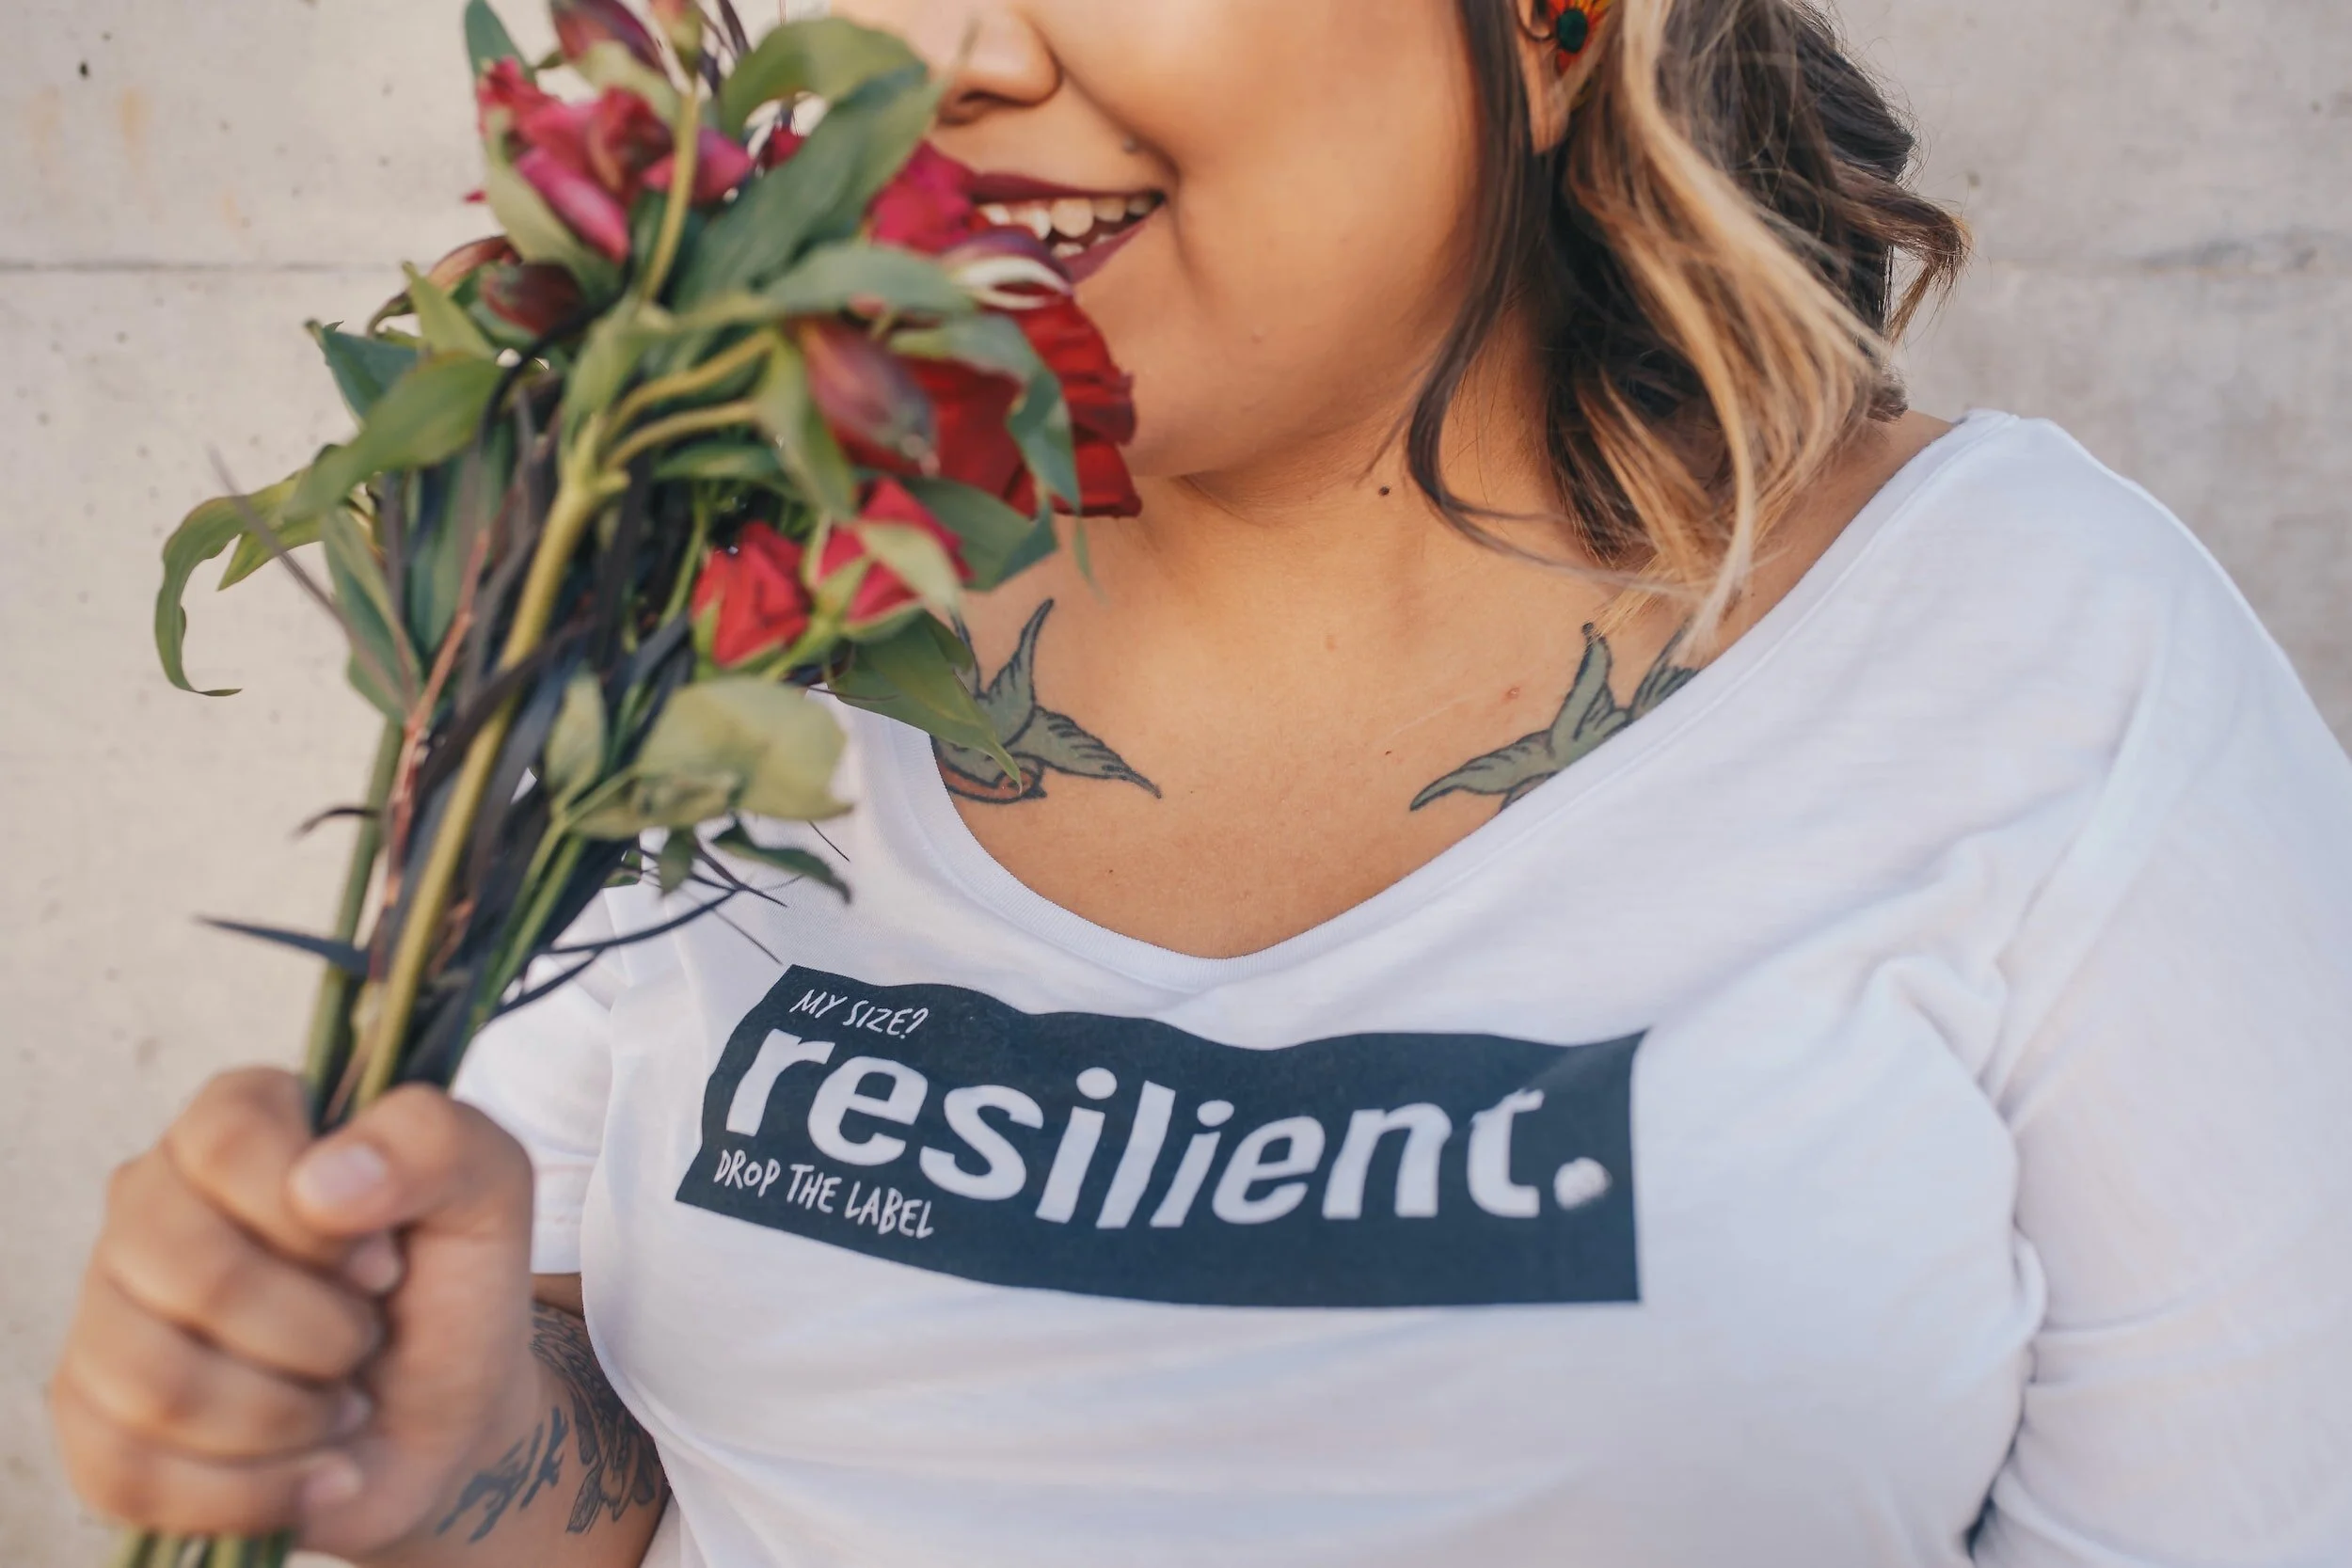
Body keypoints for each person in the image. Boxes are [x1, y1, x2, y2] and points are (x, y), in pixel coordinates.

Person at [51, 1, 2352, 1564]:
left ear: (1554, 20)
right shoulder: (712, 611)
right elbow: (635, 1479)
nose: (966, 54)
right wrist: (436, 1448)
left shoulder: (2037, 661)